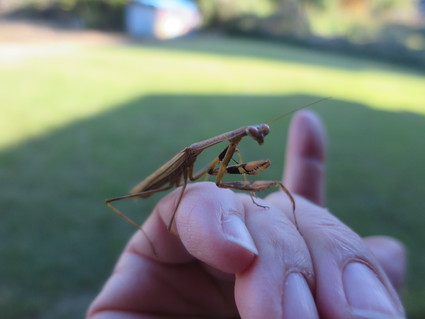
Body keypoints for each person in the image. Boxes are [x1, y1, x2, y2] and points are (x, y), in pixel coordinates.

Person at [87, 111, 406, 319]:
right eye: (256, 133)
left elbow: (219, 176)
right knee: (133, 202)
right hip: (154, 186)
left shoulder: (220, 150)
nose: (259, 136)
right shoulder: (191, 155)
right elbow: (201, 181)